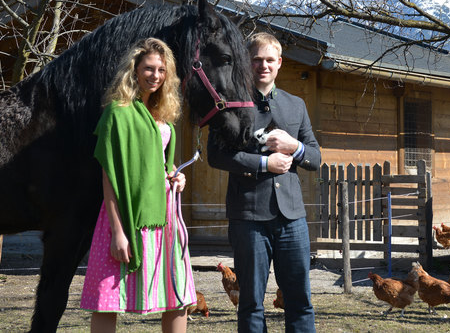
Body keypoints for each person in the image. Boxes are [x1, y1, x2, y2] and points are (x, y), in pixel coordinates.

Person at [80, 37, 195, 333]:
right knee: (109, 297)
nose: (154, 75)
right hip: (127, 215)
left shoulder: (163, 116)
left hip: (164, 215)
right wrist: (118, 232)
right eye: (148, 68)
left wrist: (174, 176)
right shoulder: (118, 113)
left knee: (178, 293)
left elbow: (160, 166)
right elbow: (110, 175)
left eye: (160, 70)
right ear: (134, 69)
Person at [208, 32, 321, 332]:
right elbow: (216, 155)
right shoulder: (230, 104)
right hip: (249, 218)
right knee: (250, 303)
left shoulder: (295, 105)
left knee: (299, 301)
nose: (263, 66)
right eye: (256, 60)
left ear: (280, 63)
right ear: (247, 62)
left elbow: (315, 157)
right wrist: (262, 163)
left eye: (270, 60)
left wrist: (293, 147)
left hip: (293, 218)